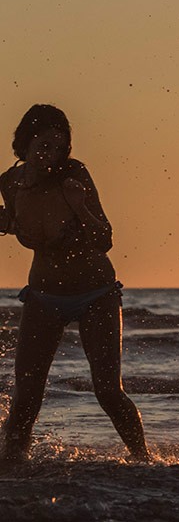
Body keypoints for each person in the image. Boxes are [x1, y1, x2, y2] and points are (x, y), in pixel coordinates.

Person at [0, 104, 149, 464]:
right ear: (26, 143)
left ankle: (143, 460)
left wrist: (79, 207)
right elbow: (13, 222)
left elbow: (105, 238)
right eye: (43, 146)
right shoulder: (9, 182)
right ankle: (10, 467)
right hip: (43, 296)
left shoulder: (75, 174)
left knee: (108, 391)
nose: (51, 155)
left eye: (59, 146)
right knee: (26, 395)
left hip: (95, 294)